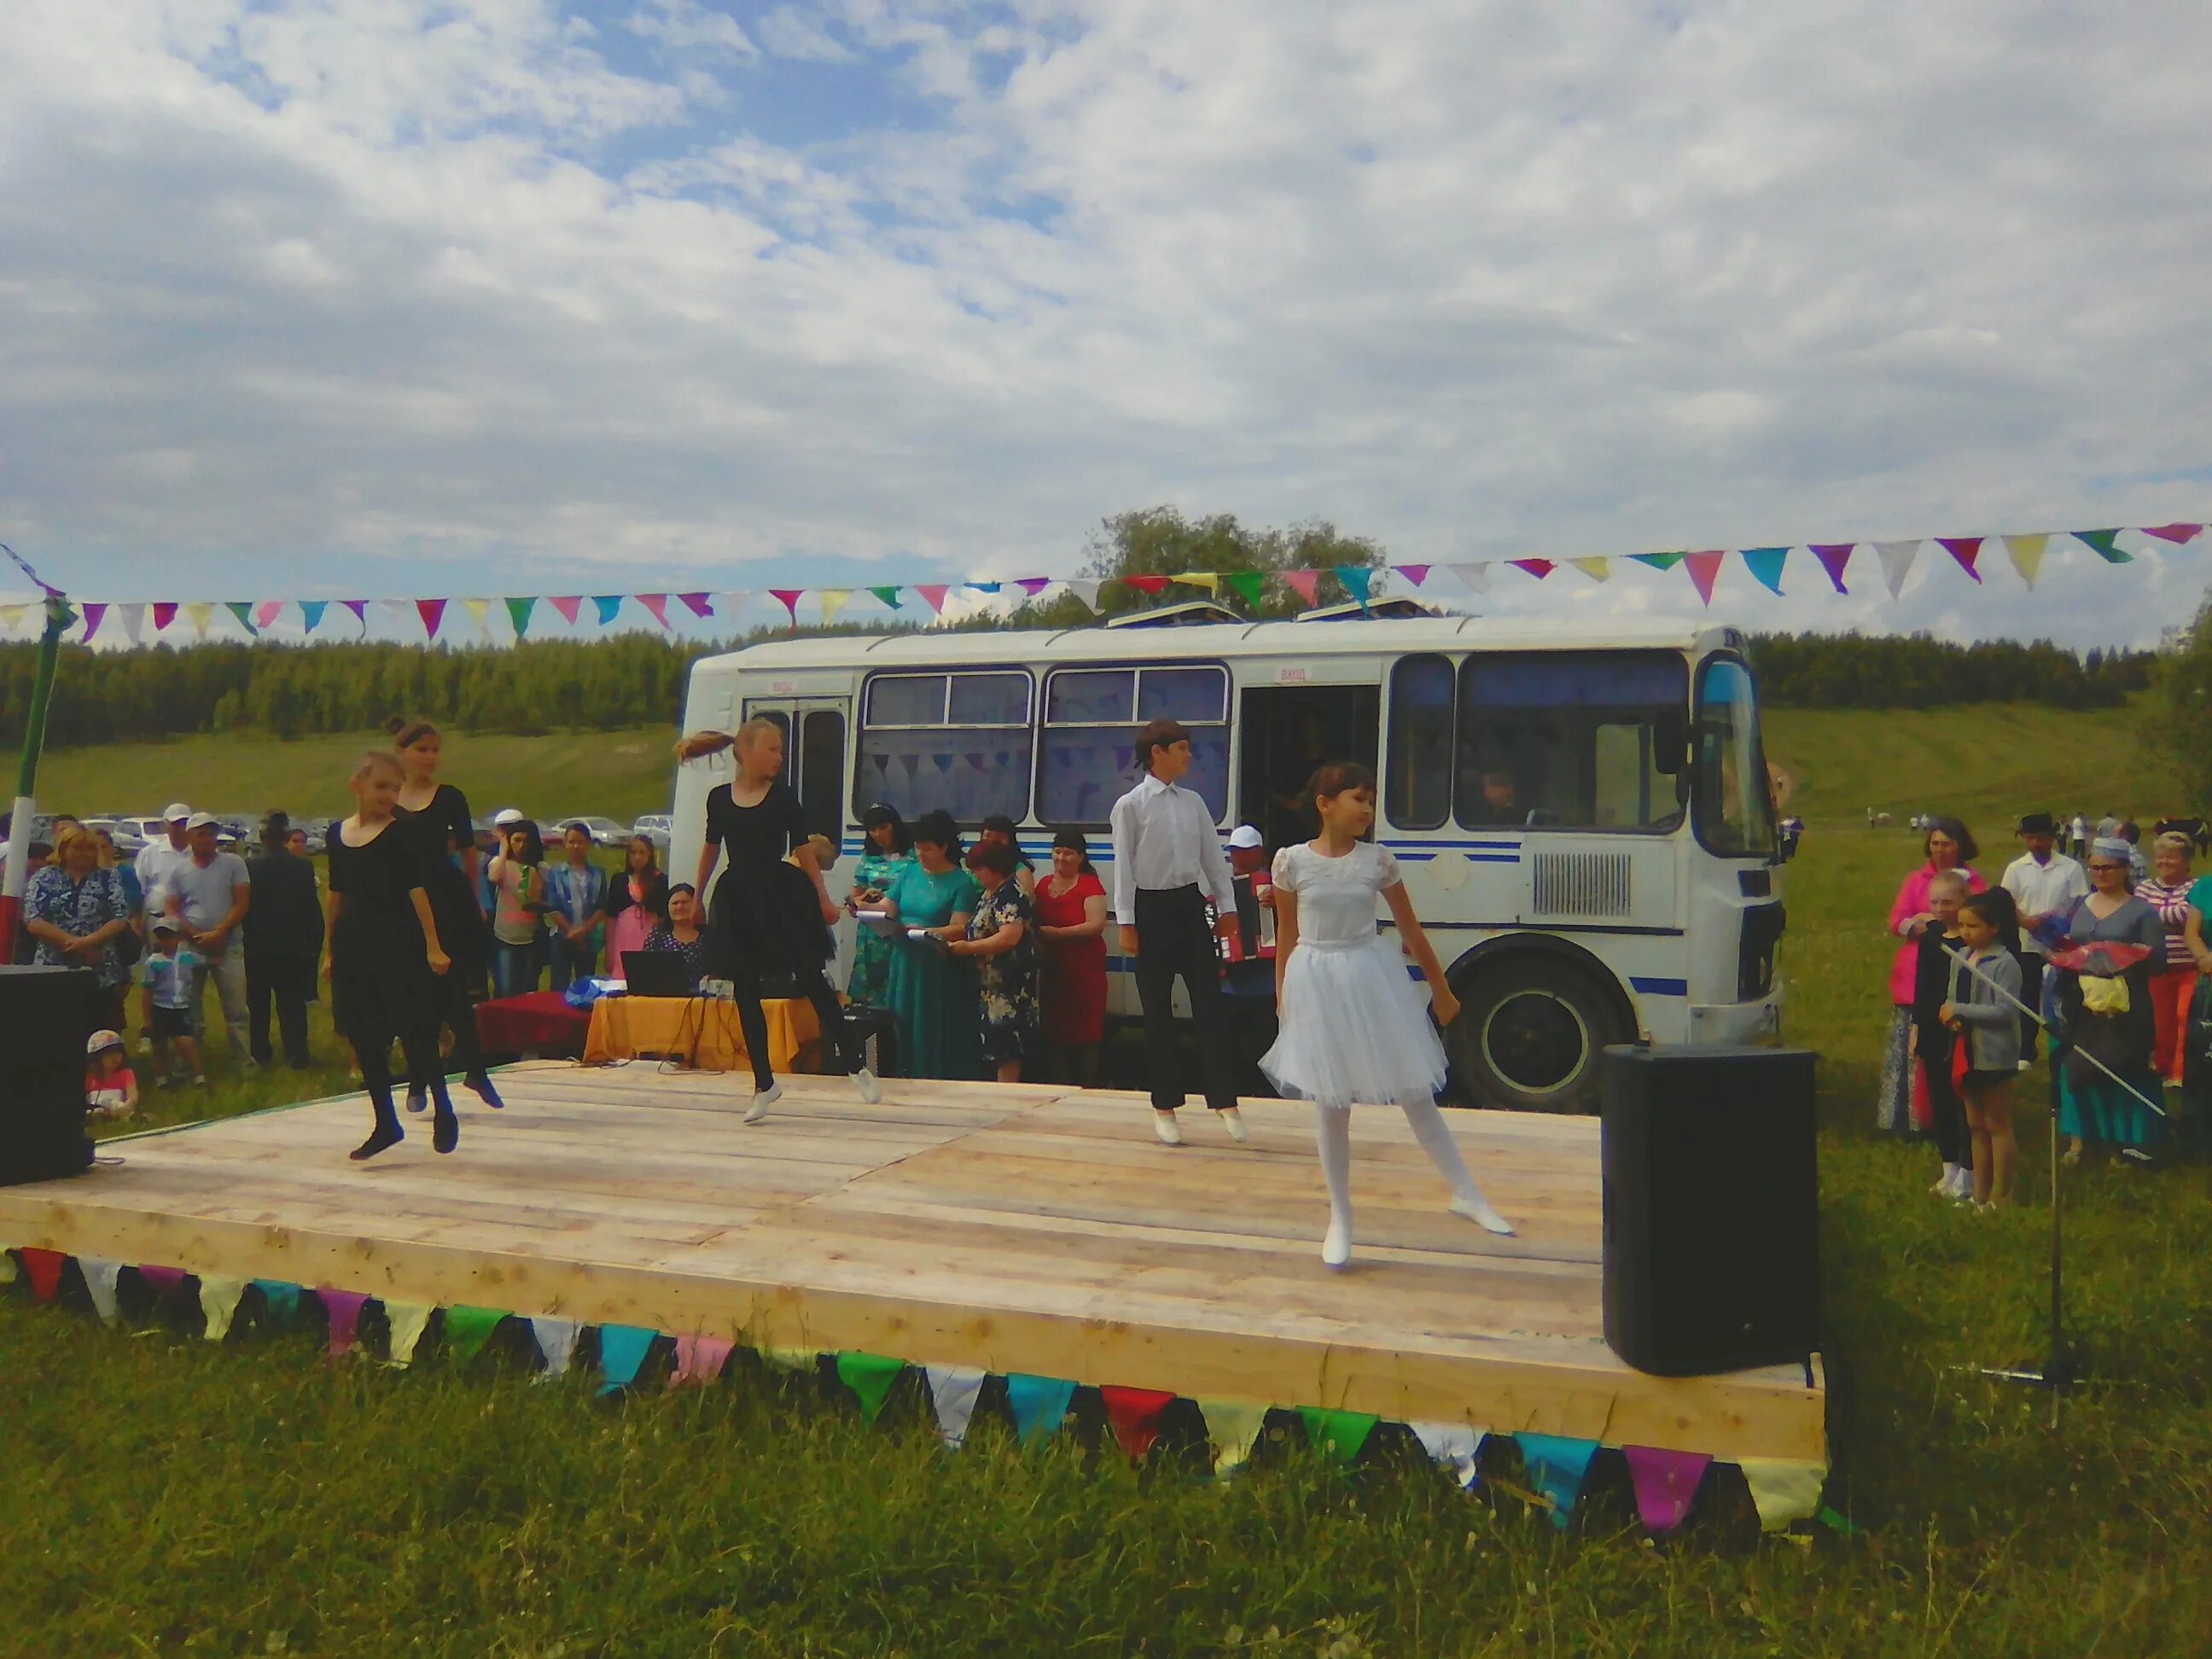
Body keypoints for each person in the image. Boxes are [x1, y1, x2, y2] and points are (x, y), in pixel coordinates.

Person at [1260, 761, 1513, 1267]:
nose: (1368, 809)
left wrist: (1441, 991)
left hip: (1370, 974)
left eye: (1371, 800)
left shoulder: (1378, 861)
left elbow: (1411, 931)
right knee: (1331, 1103)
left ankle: (1469, 1194)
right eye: (1358, 798)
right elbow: (1285, 937)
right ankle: (1342, 1217)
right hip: (1317, 977)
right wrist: (1283, 997)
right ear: (1325, 804)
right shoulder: (1291, 863)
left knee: (1414, 1091)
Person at [678, 719, 879, 1120]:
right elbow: (711, 850)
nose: (779, 758)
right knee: (746, 991)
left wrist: (822, 898)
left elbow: (804, 851)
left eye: (781, 751)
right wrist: (697, 896)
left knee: (810, 978)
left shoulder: (784, 798)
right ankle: (764, 1083)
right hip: (737, 899)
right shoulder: (719, 799)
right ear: (747, 752)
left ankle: (856, 1064)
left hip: (780, 895)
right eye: (773, 750)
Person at [1109, 718, 1248, 1147]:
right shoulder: (1130, 805)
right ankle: (1165, 1105)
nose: (1189, 756)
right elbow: (1123, 868)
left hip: (1189, 904)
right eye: (1182, 749)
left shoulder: (1194, 803)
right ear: (1159, 753)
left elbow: (1213, 858)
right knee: (1158, 1012)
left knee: (1209, 1004)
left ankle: (1225, 1100)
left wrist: (1227, 908)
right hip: (1150, 909)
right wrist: (1127, 923)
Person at [324, 749, 457, 1160]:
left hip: (395, 938)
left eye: (395, 789)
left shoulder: (402, 833)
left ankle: (443, 1106)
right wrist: (330, 951)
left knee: (414, 1026)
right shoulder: (336, 835)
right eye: (382, 786)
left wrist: (433, 945)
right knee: (363, 1033)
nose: (389, 795)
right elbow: (336, 893)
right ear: (357, 786)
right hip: (353, 942)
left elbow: (417, 892)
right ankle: (385, 1121)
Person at [392, 716, 500, 1111]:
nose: (430, 757)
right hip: (401, 900)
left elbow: (470, 854)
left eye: (436, 750)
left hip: (446, 896)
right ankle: (418, 1080)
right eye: (422, 749)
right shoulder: (387, 796)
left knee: (453, 988)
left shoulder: (450, 796)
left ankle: (474, 1069)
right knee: (413, 997)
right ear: (402, 753)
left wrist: (477, 902)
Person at [2052, 838, 2167, 1166]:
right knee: (2077, 1065)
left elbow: (2159, 961)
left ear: (2125, 869)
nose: (2100, 873)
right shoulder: (2079, 906)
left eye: (2108, 867)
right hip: (2081, 1000)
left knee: (2124, 1067)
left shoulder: (2143, 912)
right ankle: (2079, 1138)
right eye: (2094, 867)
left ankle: (2127, 1141)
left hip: (2125, 1003)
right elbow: (2067, 943)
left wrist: (2128, 957)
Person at [1877, 818, 1987, 1134]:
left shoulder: (1975, 882)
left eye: (1948, 843)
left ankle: (1950, 1118)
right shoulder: (1916, 880)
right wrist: (1919, 924)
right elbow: (1896, 921)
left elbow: (1981, 920)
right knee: (1911, 1049)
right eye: (1936, 843)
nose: (1940, 850)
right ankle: (1908, 1120)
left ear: (1961, 846)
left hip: (1957, 975)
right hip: (1915, 975)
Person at [880, 808, 983, 1082]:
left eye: (927, 849)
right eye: (917, 848)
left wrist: (925, 930)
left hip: (936, 965)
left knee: (931, 1023)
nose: (921, 854)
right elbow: (887, 907)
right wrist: (864, 909)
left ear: (944, 847)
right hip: (904, 960)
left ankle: (934, 1075)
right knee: (901, 1019)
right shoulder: (910, 873)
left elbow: (960, 927)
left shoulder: (962, 882)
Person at [1942, 892, 2024, 1208]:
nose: (1965, 932)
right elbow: (1952, 999)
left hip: (1994, 1054)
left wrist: (1960, 1010)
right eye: (1962, 925)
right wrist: (1951, 1018)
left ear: (1994, 927)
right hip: (1965, 1051)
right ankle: (1979, 1193)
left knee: (1997, 1124)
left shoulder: (2005, 963)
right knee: (1975, 1125)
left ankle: (2001, 1196)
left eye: (1973, 925)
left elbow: (2005, 1011)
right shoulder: (1961, 957)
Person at [23, 821, 135, 1037]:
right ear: (63, 850)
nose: (85, 854)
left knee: (99, 1031)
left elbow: (120, 917)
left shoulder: (108, 877)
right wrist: (72, 944)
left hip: (100, 970)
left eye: (90, 848)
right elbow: (33, 919)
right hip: (53, 968)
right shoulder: (44, 877)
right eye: (78, 848)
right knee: (56, 1032)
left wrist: (88, 942)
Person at [164, 812, 253, 1067]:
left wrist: (221, 932)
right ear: (190, 836)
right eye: (201, 833)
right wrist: (194, 934)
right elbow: (171, 907)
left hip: (229, 945)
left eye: (211, 833)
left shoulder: (234, 863)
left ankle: (243, 1062)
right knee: (190, 1010)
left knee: (237, 1009)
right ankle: (190, 1063)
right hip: (191, 946)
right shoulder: (179, 871)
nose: (207, 839)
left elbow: (242, 901)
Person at [950, 839, 1042, 1082]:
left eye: (978, 869)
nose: (975, 874)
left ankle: (1007, 1098)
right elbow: (973, 927)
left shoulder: (1011, 894)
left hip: (1009, 987)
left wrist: (968, 949)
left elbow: (1008, 938)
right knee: (994, 1048)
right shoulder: (989, 894)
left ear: (994, 867)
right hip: (989, 987)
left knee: (1007, 1050)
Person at [2001, 812, 2088, 1062]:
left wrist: (2059, 925)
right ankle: (2026, 1050)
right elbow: (2007, 901)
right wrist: (2025, 921)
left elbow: (2078, 901)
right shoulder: (2017, 869)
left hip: (2061, 944)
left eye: (2039, 838)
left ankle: (2063, 1047)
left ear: (2051, 837)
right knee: (2027, 995)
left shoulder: (2070, 867)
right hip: (2027, 942)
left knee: (2062, 996)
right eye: (2029, 839)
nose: (2035, 844)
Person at [242, 812, 323, 1071]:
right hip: (293, 946)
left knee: (258, 1006)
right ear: (287, 837)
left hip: (257, 946)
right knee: (293, 1006)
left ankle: (260, 1052)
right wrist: (313, 945)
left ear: (263, 838)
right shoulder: (302, 868)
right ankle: (297, 1054)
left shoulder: (250, 867)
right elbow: (312, 910)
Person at [1909, 870, 1972, 1200]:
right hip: (1933, 1029)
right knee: (1941, 1100)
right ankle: (1949, 1168)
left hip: (1964, 1029)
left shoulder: (1972, 939)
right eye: (1934, 902)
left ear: (1964, 899)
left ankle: (1970, 1171)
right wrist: (1917, 1027)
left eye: (1947, 901)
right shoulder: (1932, 937)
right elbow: (1922, 986)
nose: (1939, 908)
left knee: (1965, 1104)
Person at [1033, 827, 1109, 1086]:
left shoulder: (1090, 885)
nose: (1061, 858)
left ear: (1081, 857)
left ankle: (1089, 1085)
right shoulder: (1043, 885)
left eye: (1068, 853)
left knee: (1086, 1031)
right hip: (1053, 970)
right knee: (1054, 1029)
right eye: (1057, 851)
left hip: (1085, 971)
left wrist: (1057, 933)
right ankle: (1060, 1083)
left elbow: (1095, 925)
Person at [2135, 830, 2198, 1089]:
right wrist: (2169, 915)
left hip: (2190, 966)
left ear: (2186, 861)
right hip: (2157, 966)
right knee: (2160, 1020)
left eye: (2171, 858)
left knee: (2186, 1019)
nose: (2164, 862)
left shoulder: (2195, 887)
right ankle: (2161, 1066)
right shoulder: (2144, 887)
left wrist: (2156, 915)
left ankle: (2180, 1072)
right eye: (2160, 857)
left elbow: (2187, 916)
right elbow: (2140, 917)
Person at [846, 803, 911, 1008]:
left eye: (883, 827)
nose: (877, 834)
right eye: (872, 829)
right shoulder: (867, 858)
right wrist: (859, 901)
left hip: (901, 926)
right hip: (872, 933)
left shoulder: (913, 857)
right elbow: (855, 896)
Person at [544, 823, 611, 992]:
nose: (576, 846)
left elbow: (602, 906)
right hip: (562, 936)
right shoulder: (556, 873)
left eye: (580, 842)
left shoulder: (598, 874)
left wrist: (583, 932)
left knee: (586, 984)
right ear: (565, 843)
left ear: (588, 844)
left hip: (588, 937)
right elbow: (553, 906)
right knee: (559, 985)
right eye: (572, 841)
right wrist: (572, 932)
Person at [486, 820, 547, 998]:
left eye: (526, 841)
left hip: (529, 935)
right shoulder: (500, 863)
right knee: (505, 988)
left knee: (526, 988)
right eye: (517, 840)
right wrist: (504, 848)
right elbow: (494, 877)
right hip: (504, 936)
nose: (522, 846)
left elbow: (531, 898)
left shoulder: (536, 869)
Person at [141, 920, 205, 1087]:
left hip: (181, 1008)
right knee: (160, 1046)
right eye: (161, 937)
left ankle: (199, 1078)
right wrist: (147, 1018)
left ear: (178, 938)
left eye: (169, 936)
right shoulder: (153, 962)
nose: (165, 941)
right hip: (160, 1008)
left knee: (187, 1044)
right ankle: (161, 1080)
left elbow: (205, 961)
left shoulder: (187, 957)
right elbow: (147, 991)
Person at [605, 834, 669, 971]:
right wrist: (609, 950)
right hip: (623, 936)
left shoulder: (659, 880)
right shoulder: (619, 880)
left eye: (642, 852)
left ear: (650, 855)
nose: (637, 857)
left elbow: (663, 915)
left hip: (650, 936)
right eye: (633, 852)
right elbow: (611, 918)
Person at [133, 802, 195, 933]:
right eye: (175, 824)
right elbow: (138, 891)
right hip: (156, 921)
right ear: (165, 826)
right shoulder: (149, 853)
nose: (180, 829)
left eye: (184, 824)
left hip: (191, 922)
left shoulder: (199, 854)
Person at [642, 883, 710, 987]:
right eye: (675, 903)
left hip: (704, 999)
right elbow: (645, 970)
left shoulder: (710, 936)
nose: (680, 907)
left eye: (685, 902)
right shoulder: (656, 937)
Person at [84, 1029, 139, 1121]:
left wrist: (127, 1107)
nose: (116, 1056)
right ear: (97, 1058)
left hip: (118, 1110)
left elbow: (133, 1096)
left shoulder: (126, 1074)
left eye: (118, 1052)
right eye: (109, 1053)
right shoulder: (90, 1078)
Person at [978, 814, 1037, 897]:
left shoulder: (1021, 872)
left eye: (1000, 837)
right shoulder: (973, 867)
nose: (993, 841)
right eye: (988, 836)